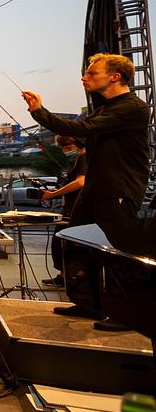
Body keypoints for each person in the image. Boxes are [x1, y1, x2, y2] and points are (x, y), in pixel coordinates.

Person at [22, 54, 150, 323]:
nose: (84, 77)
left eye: (92, 73)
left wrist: (40, 112)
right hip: (96, 188)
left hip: (118, 189)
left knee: (117, 250)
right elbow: (82, 129)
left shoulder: (132, 107)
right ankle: (90, 303)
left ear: (114, 76)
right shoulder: (105, 108)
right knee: (76, 242)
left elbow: (81, 128)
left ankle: (127, 314)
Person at [40, 136, 87, 287]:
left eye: (68, 147)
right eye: (63, 148)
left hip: (77, 207)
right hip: (73, 206)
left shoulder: (84, 158)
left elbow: (80, 182)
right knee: (64, 242)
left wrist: (53, 194)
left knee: (63, 241)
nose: (65, 151)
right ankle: (68, 275)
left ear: (79, 143)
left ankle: (72, 276)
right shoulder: (80, 159)